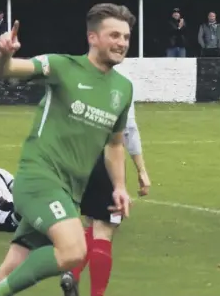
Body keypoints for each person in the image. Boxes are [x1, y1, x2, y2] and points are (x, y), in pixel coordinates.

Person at [0, 3, 136, 296]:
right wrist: (3, 53)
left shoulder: (123, 88)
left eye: (126, 37)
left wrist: (120, 187)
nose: (122, 43)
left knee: (7, 273)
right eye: (114, 35)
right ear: (93, 37)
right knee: (74, 250)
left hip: (69, 193)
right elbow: (6, 70)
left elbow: (114, 143)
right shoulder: (61, 66)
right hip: (39, 179)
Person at [60, 99, 152, 296]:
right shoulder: (120, 85)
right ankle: (91, 289)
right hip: (105, 160)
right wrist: (141, 170)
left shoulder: (77, 77)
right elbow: (129, 129)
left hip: (75, 159)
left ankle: (71, 273)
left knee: (92, 224)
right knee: (104, 230)